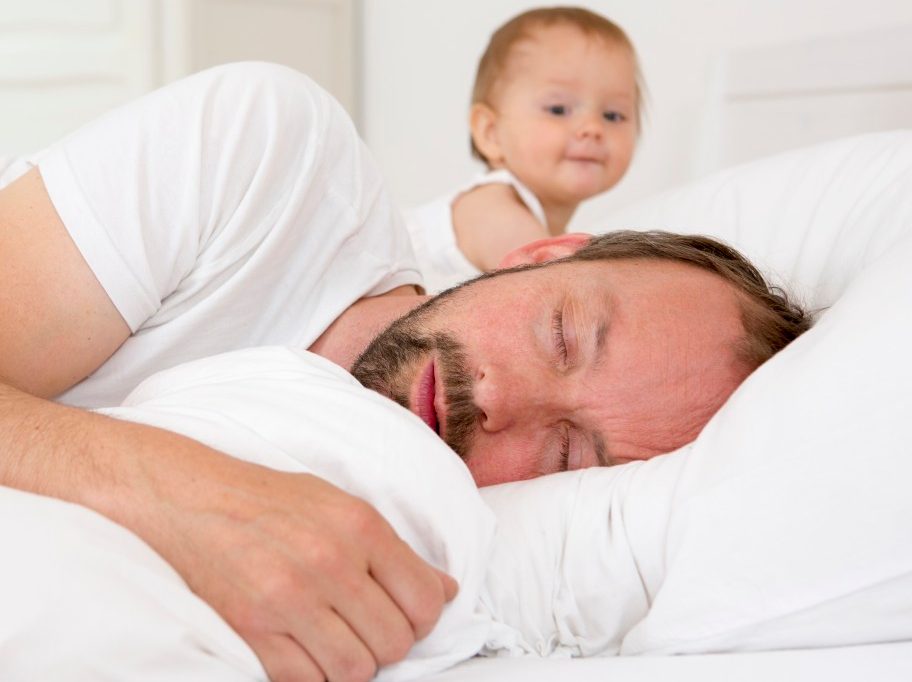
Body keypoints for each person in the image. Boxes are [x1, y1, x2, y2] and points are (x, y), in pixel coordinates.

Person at [0, 63, 809, 682]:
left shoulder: (433, 536)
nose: (498, 400)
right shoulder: (267, 160)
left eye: (567, 453)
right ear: (538, 253)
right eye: (560, 334)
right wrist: (173, 492)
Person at [404, 7, 643, 292]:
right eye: (558, 109)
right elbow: (557, 293)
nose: (592, 127)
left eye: (613, 115)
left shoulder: (541, 229)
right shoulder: (495, 208)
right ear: (490, 133)